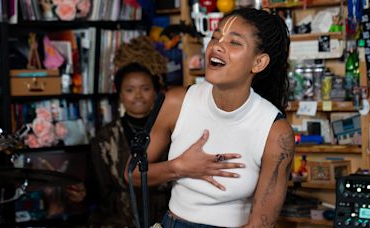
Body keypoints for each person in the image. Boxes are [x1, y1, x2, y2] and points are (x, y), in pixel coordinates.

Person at [125, 8, 295, 228]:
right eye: (215, 37)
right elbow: (133, 175)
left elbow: (260, 224)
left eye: (234, 43)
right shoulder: (176, 102)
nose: (216, 46)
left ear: (259, 63)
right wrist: (180, 167)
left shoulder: (276, 133)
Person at [67, 62, 170, 227]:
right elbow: (95, 186)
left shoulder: (171, 131)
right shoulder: (104, 137)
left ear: (156, 93)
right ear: (120, 95)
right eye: (130, 90)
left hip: (163, 218)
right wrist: (82, 193)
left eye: (145, 88)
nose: (137, 95)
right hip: (116, 219)